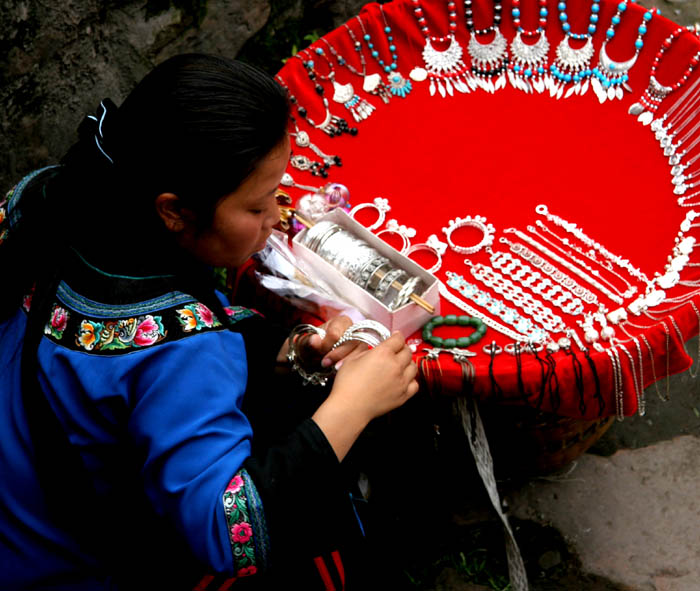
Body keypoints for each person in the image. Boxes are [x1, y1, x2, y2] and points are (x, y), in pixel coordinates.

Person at [0, 53, 419, 590]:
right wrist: (354, 403)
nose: (278, 216)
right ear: (173, 211)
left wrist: (295, 348)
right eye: (257, 205)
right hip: (62, 561)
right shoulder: (183, 349)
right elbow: (226, 532)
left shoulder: (49, 195)